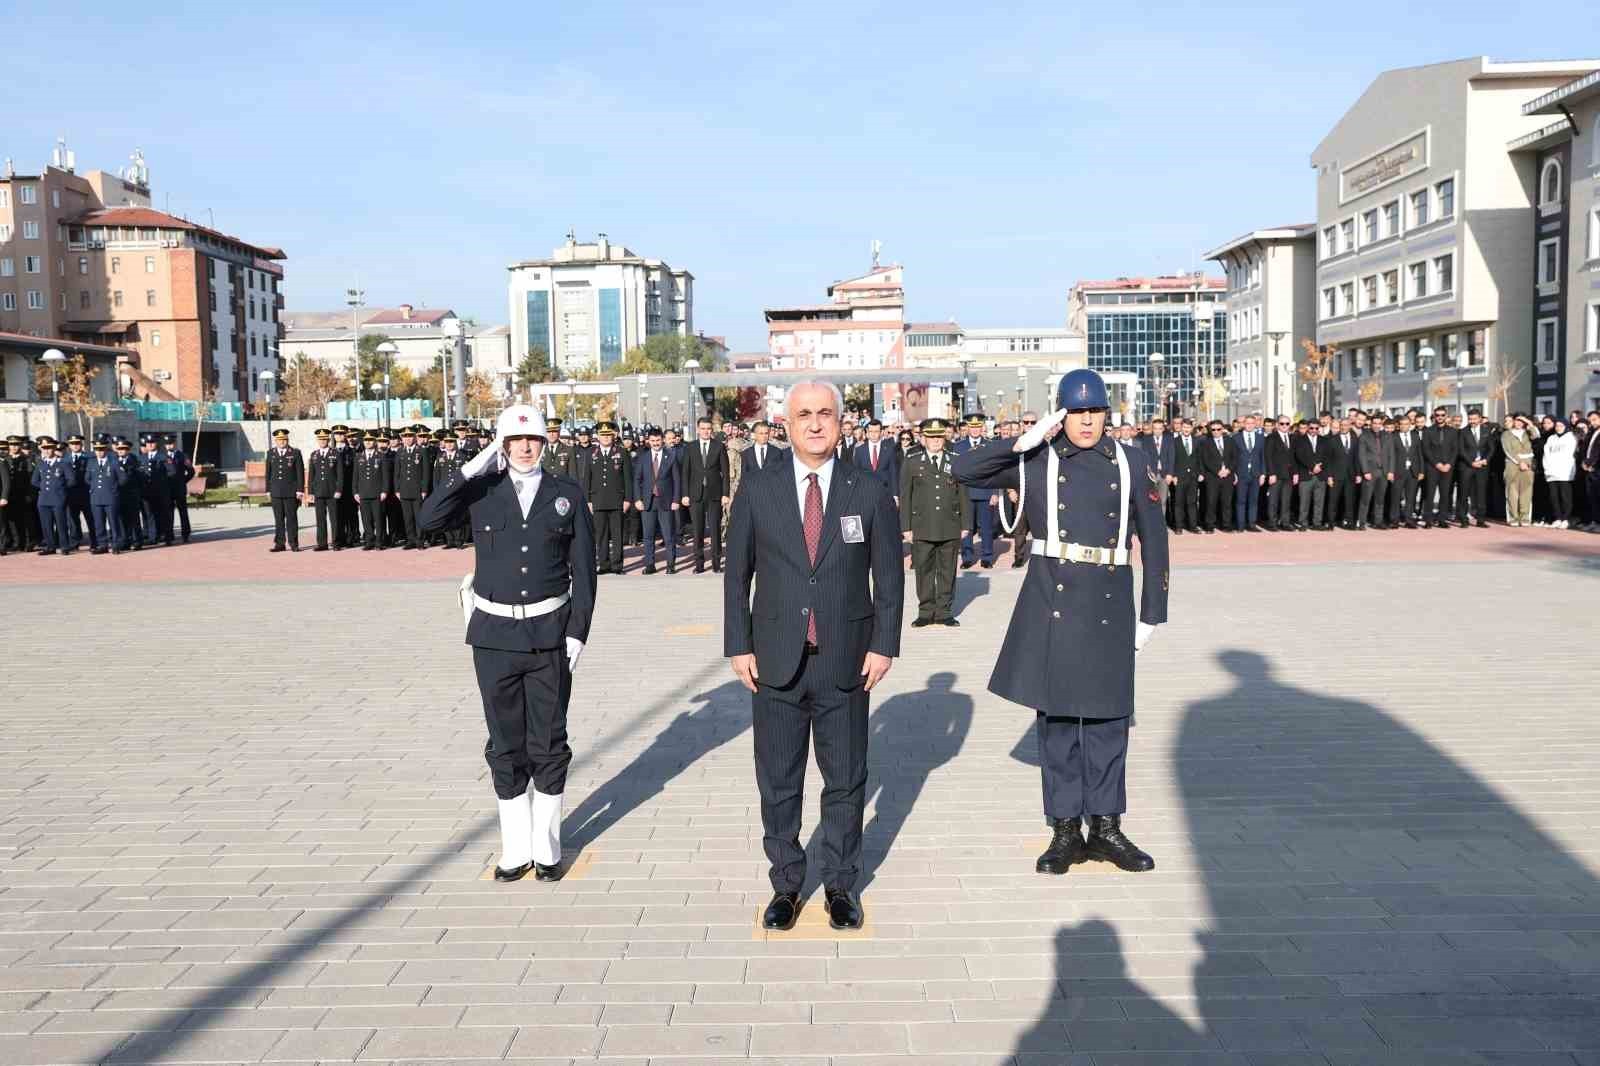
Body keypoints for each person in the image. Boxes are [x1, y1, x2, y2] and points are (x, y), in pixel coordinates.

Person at [952, 368, 1168, 877]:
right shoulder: (1038, 461)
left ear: (1106, 415)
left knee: (1110, 720)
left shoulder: (1132, 462)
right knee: (1057, 723)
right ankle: (1065, 829)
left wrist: (1152, 613)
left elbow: (1155, 540)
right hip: (1053, 601)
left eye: (1095, 412)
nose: (1087, 422)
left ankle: (1107, 827)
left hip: (1110, 601)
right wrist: (1020, 441)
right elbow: (964, 469)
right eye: (1077, 412)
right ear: (1062, 415)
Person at [724, 380, 903, 931]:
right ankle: (785, 883)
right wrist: (738, 645)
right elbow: (738, 575)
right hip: (775, 659)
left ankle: (842, 885)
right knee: (778, 779)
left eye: (826, 413)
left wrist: (883, 645)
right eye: (804, 414)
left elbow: (890, 577)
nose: (816, 423)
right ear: (786, 423)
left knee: (846, 777)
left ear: (842, 421)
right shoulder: (758, 486)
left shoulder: (867, 489)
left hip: (845, 660)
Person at [419, 405, 596, 883]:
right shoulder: (483, 492)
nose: (524, 447)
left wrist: (578, 630)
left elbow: (584, 570)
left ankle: (547, 846)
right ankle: (515, 846)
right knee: (504, 743)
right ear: (501, 445)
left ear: (545, 444)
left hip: (548, 635)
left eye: (533, 440)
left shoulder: (566, 495)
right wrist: (470, 469)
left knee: (549, 741)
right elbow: (428, 519)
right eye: (514, 441)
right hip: (494, 637)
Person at [899, 418, 970, 627]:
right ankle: (925, 611)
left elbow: (963, 494)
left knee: (948, 570)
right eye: (932, 437)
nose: (936, 441)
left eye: (939, 436)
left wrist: (966, 524)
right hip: (922, 525)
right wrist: (906, 527)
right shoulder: (912, 461)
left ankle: (944, 612)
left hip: (949, 524)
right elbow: (906, 496)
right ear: (923, 439)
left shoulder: (955, 460)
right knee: (923, 570)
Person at [681, 417, 730, 573]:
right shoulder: (690, 447)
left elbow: (726, 472)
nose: (706, 431)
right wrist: (685, 494)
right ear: (698, 429)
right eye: (703, 428)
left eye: (708, 428)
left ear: (712, 430)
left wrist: (725, 493)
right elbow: (685, 472)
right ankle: (699, 564)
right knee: (698, 530)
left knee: (715, 529)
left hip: (714, 494)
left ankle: (716, 563)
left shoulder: (719, 446)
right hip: (695, 494)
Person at [583, 421, 631, 574]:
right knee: (601, 535)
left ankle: (617, 565)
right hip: (597, 500)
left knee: (617, 534)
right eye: (602, 435)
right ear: (597, 436)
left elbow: (628, 479)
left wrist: (628, 499)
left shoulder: (622, 452)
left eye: (608, 435)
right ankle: (603, 564)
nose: (605, 438)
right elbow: (586, 480)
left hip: (617, 500)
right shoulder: (591, 453)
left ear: (613, 436)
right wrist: (588, 500)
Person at [633, 427, 681, 575]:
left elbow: (676, 480)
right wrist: (637, 499)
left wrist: (676, 499)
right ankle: (650, 565)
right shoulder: (643, 457)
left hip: (666, 501)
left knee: (668, 535)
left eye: (658, 440)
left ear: (662, 440)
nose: (655, 443)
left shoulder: (671, 456)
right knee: (648, 536)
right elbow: (637, 480)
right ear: (648, 441)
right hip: (647, 501)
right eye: (652, 441)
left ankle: (670, 565)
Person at [952, 414, 997, 568]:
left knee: (986, 527)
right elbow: (955, 471)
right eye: (972, 427)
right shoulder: (958, 446)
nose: (976, 430)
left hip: (986, 491)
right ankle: (967, 557)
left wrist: (995, 492)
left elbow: (995, 470)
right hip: (965, 493)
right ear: (968, 428)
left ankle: (987, 557)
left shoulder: (990, 445)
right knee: (966, 527)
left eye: (978, 426)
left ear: (982, 427)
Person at [30, 436, 76, 556]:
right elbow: (34, 481)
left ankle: (64, 546)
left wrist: (60, 489)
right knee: (46, 524)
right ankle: (50, 546)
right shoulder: (41, 464)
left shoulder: (63, 463)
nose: (46, 450)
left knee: (61, 524)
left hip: (58, 498)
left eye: (49, 448)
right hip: (44, 499)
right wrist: (44, 488)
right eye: (44, 448)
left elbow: (71, 480)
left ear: (54, 449)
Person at [393, 425, 433, 550]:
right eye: (405, 437)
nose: (408, 439)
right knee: (407, 517)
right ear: (402, 439)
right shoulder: (400, 451)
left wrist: (424, 489)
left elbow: (426, 472)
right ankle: (410, 540)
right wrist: (397, 489)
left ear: (414, 437)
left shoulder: (421, 451)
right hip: (404, 490)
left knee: (418, 516)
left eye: (410, 436)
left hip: (417, 490)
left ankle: (420, 540)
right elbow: (397, 473)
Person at [265, 428, 305, 552]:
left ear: (287, 440)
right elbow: (268, 473)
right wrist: (268, 490)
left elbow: (300, 473)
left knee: (291, 518)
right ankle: (279, 543)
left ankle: (294, 543)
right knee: (278, 519)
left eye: (284, 440)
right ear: (275, 441)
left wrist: (300, 490)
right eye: (279, 440)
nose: (281, 442)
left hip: (291, 491)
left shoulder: (295, 453)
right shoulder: (271, 453)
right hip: (276, 491)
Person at [84, 436, 126, 554]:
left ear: (106, 449)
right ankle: (102, 545)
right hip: (96, 497)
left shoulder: (114, 461)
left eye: (102, 449)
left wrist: (114, 488)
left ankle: (116, 545)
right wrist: (93, 488)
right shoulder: (91, 462)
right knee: (98, 523)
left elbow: (123, 479)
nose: (99, 452)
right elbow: (87, 479)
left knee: (113, 522)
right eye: (97, 449)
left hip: (111, 497)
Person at [306, 428, 344, 551]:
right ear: (317, 441)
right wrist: (311, 492)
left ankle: (336, 542)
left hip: (332, 492)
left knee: (335, 519)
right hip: (318, 492)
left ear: (328, 439)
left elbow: (340, 474)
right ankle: (322, 543)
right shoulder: (314, 455)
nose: (322, 441)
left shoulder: (335, 453)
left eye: (324, 439)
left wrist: (339, 489)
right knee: (320, 519)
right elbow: (311, 475)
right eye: (320, 439)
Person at [352, 432, 391, 550]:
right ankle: (369, 541)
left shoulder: (380, 456)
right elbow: (355, 476)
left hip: (377, 493)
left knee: (378, 519)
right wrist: (355, 492)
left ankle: (379, 542)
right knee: (366, 519)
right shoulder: (359, 457)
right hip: (363, 493)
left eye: (370, 440)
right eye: (366, 440)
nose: (368, 442)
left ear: (374, 442)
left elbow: (385, 476)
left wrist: (385, 491)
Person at [1357, 414, 1395, 529]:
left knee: (1380, 499)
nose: (1377, 425)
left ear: (1381, 424)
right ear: (1371, 424)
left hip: (1383, 472)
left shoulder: (1387, 436)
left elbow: (1391, 455)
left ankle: (1378, 522)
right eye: (1375, 423)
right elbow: (1361, 455)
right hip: (1370, 472)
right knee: (1365, 498)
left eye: (1379, 423)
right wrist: (1365, 471)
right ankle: (1362, 522)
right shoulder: (1364, 436)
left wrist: (1391, 471)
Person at [1197, 420, 1236, 533]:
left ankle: (1226, 524)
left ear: (1222, 429)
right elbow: (1205, 459)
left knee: (1227, 502)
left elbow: (1235, 458)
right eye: (1213, 430)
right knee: (1211, 502)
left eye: (1218, 429)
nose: (1216, 432)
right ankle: (1209, 525)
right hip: (1212, 477)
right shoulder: (1205, 443)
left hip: (1228, 476)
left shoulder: (1230, 441)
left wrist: (1228, 470)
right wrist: (1217, 471)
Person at [1457, 411, 1494, 527]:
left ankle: (1481, 520)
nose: (1472, 421)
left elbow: (1491, 448)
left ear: (1479, 419)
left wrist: (1485, 460)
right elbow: (1461, 450)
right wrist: (1471, 462)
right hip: (1467, 467)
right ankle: (1463, 519)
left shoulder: (1486, 431)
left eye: (1474, 419)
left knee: (1481, 493)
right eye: (1470, 419)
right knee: (1464, 493)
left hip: (1482, 467)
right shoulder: (1463, 432)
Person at [138, 435, 175, 546]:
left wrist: (161, 481)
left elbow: (172, 472)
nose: (150, 444)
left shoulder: (163, 457)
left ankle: (167, 536)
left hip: (161, 491)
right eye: (148, 443)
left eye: (152, 442)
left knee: (164, 514)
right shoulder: (142, 458)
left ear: (156, 444)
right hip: (147, 491)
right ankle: (152, 537)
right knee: (150, 514)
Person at [1501, 414, 1536, 527]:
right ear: (1513, 421)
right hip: (1512, 465)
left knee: (1526, 492)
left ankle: (1525, 517)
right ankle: (1513, 518)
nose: (1519, 423)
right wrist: (1519, 462)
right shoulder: (1506, 434)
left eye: (1522, 421)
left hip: (1528, 465)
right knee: (1512, 493)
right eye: (1517, 420)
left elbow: (1536, 435)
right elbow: (1508, 450)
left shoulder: (1527, 432)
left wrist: (1529, 423)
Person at [1292, 420, 1327, 530]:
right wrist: (1312, 467)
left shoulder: (1324, 440)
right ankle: (1303, 523)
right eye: (1311, 428)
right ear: (1307, 428)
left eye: (1316, 428)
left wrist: (1319, 467)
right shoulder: (1299, 440)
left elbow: (1328, 456)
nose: (1314, 430)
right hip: (1305, 475)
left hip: (1320, 475)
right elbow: (1299, 455)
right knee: (1304, 501)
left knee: (1319, 501)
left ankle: (1317, 523)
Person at [1543, 419, 1577, 529]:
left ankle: (1566, 518)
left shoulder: (1571, 438)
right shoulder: (1551, 438)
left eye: (1561, 425)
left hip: (1564, 473)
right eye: (1557, 426)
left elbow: (1569, 455)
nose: (1558, 427)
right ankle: (1557, 518)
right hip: (1551, 473)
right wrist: (1547, 468)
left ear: (1566, 426)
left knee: (1565, 496)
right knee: (1554, 497)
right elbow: (1546, 454)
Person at [1232, 415, 1264, 532]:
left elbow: (1262, 457)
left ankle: (1251, 524)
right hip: (1241, 473)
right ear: (1243, 424)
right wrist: (1234, 473)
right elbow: (1233, 457)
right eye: (1247, 423)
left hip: (1255, 473)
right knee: (1241, 500)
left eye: (1252, 423)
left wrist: (1263, 474)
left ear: (1255, 424)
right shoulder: (1236, 438)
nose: (1249, 425)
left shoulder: (1260, 437)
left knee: (1253, 500)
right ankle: (1240, 525)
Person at [112, 438, 144, 550]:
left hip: (132, 494)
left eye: (124, 449)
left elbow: (140, 479)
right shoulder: (113, 461)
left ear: (128, 450)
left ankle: (137, 541)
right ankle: (124, 541)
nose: (121, 451)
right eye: (119, 449)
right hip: (119, 495)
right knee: (121, 519)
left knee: (134, 519)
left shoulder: (134, 461)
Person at [1170, 419, 1202, 534]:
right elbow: (1172, 459)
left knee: (1192, 502)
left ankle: (1193, 525)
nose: (1186, 429)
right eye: (1184, 427)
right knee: (1178, 502)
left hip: (1193, 476)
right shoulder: (1174, 441)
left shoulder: (1197, 441)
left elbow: (1200, 458)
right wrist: (1173, 474)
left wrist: (1200, 473)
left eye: (1188, 427)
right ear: (1180, 428)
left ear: (1192, 429)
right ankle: (1179, 526)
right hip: (1179, 476)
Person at [163, 433, 195, 543]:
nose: (169, 446)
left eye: (171, 444)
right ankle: (169, 536)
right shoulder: (162, 456)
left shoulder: (183, 456)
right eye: (167, 444)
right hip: (167, 489)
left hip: (179, 489)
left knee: (183, 512)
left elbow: (191, 471)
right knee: (168, 513)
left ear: (174, 444)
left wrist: (183, 481)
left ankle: (185, 534)